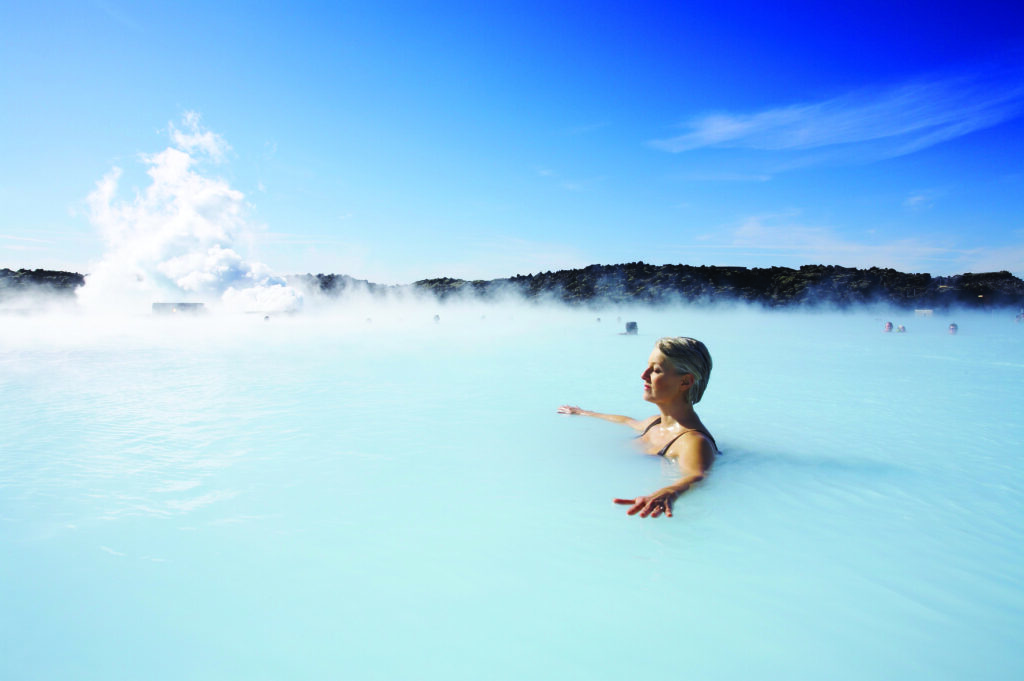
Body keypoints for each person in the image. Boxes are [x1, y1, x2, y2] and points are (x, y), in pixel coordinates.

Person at [558, 336, 717, 519]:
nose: (644, 375)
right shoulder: (654, 423)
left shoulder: (693, 442)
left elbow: (698, 475)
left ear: (685, 382)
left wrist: (670, 491)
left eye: (656, 370)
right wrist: (583, 412)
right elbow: (626, 421)